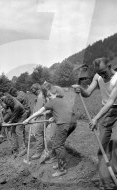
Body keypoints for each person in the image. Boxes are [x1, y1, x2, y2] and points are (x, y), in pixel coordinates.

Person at [73, 57, 117, 190]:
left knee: (115, 145)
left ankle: (114, 174)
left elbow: (110, 102)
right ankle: (108, 185)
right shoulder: (98, 76)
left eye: (104, 72)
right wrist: (81, 89)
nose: (103, 76)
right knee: (102, 150)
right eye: (100, 73)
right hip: (107, 114)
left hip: (112, 108)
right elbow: (87, 93)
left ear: (110, 66)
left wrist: (96, 118)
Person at [23, 87, 76, 177]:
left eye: (50, 95)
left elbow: (39, 111)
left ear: (56, 94)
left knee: (58, 145)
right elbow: (64, 112)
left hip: (64, 124)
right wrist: (54, 118)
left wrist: (27, 119)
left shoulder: (52, 101)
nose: (49, 97)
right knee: (58, 143)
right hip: (73, 122)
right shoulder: (62, 100)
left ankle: (62, 169)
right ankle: (60, 163)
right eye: (47, 96)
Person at [30, 83, 47, 160]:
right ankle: (42, 148)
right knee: (41, 133)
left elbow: (39, 111)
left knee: (38, 133)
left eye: (32, 89)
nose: (31, 90)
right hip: (41, 116)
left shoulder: (40, 97)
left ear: (36, 89)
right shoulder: (40, 96)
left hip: (41, 117)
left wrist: (34, 118)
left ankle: (39, 152)